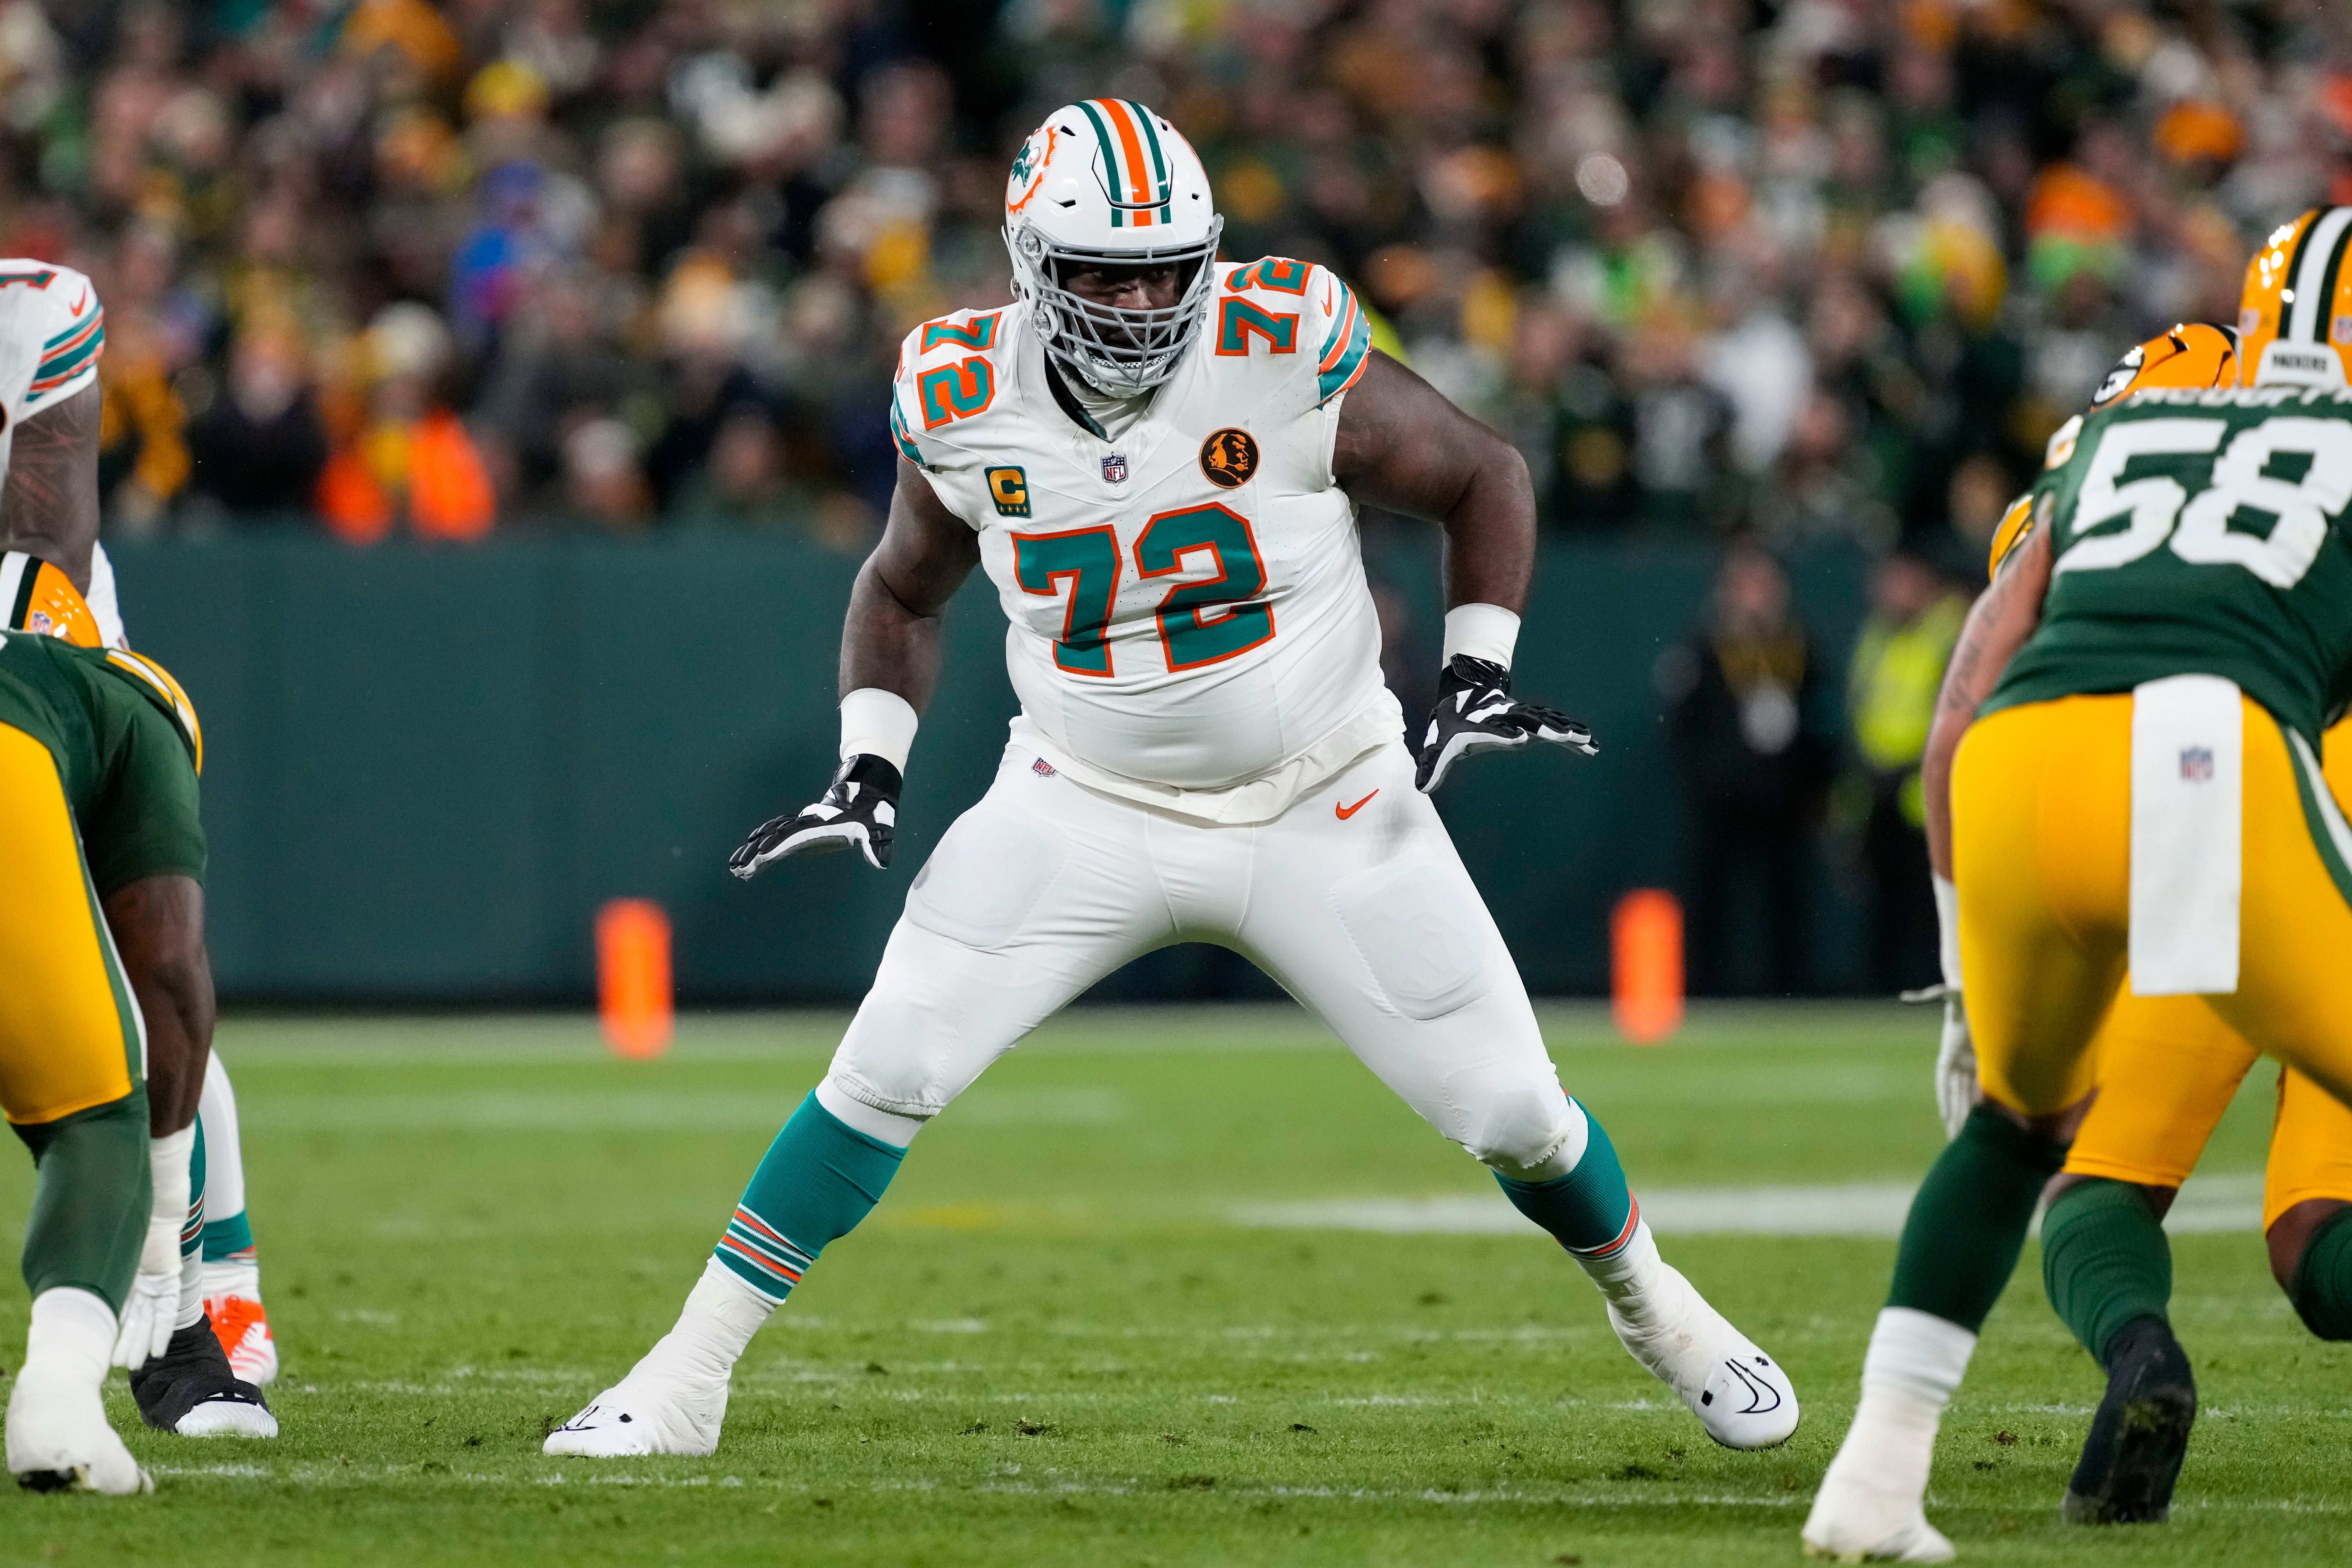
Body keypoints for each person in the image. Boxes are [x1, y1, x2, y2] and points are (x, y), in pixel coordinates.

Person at [546, 100, 1800, 1459]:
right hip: (1080, 798)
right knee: (888, 1057)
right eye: (1107, 273)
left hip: (1323, 794)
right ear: (1033, 266)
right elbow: (901, 588)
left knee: (1516, 1111)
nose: (1145, 303)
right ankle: (687, 1375)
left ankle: (1657, 1308)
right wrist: (870, 761)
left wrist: (1475, 670)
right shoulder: (961, 392)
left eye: (1166, 270)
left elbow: (1483, 474)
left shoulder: (1278, 342)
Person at [1803, 207, 2352, 1561]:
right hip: (2237, 770)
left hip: (2027, 763)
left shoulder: (2135, 419)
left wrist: (1960, 972)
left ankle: (1874, 1481)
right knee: (2313, 1228)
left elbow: (1962, 696)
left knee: (2034, 1143)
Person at [0, 257, 280, 1390]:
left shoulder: (31, 306)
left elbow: (40, 554)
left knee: (139, 975)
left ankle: (207, 1306)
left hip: (40, 655)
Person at [1, 554, 272, 1494]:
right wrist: (160, 1222)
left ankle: (214, 1305)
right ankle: (64, 1399)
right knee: (97, 1116)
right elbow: (171, 976)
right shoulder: (134, 701)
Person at [1658, 542, 1832, 994]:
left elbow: (1822, 719)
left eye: (1763, 585)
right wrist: (1706, 780)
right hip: (1723, 796)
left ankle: (1790, 990)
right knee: (1712, 895)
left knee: (1788, 897)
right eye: (1745, 586)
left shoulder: (1800, 645)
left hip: (1785, 796)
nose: (1755, 597)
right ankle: (1707, 989)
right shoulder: (1705, 647)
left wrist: (1815, 787)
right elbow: (1684, 726)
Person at [1845, 547, 1966, 994]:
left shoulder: (1950, 631)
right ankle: (1883, 991)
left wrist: (1917, 764)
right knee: (1883, 900)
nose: (1891, 592)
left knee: (1932, 899)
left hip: (1927, 787)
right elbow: (1863, 705)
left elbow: (1956, 709)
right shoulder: (1878, 635)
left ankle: (1937, 984)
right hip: (1879, 788)